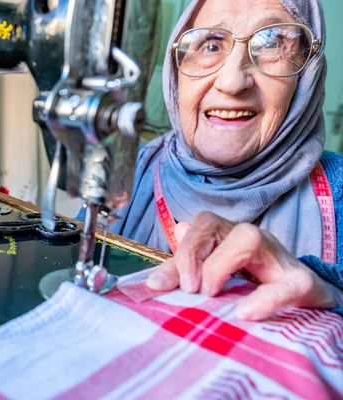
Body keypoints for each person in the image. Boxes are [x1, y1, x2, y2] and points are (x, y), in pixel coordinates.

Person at [111, 0, 343, 320]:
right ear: (176, 71)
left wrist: (331, 296)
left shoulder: (339, 192)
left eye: (272, 42)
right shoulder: (126, 173)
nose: (232, 83)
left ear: (307, 75)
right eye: (210, 44)